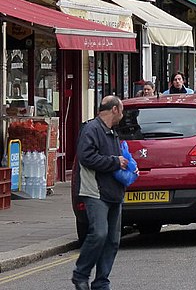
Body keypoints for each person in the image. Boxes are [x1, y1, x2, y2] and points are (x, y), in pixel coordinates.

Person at [72, 95, 130, 290]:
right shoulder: (91, 129)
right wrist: (116, 161)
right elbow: (86, 157)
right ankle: (81, 274)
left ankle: (101, 282)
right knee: (99, 234)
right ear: (114, 110)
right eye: (121, 111)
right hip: (95, 191)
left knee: (112, 240)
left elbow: (115, 160)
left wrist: (128, 168)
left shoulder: (112, 132)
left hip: (113, 191)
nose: (122, 116)